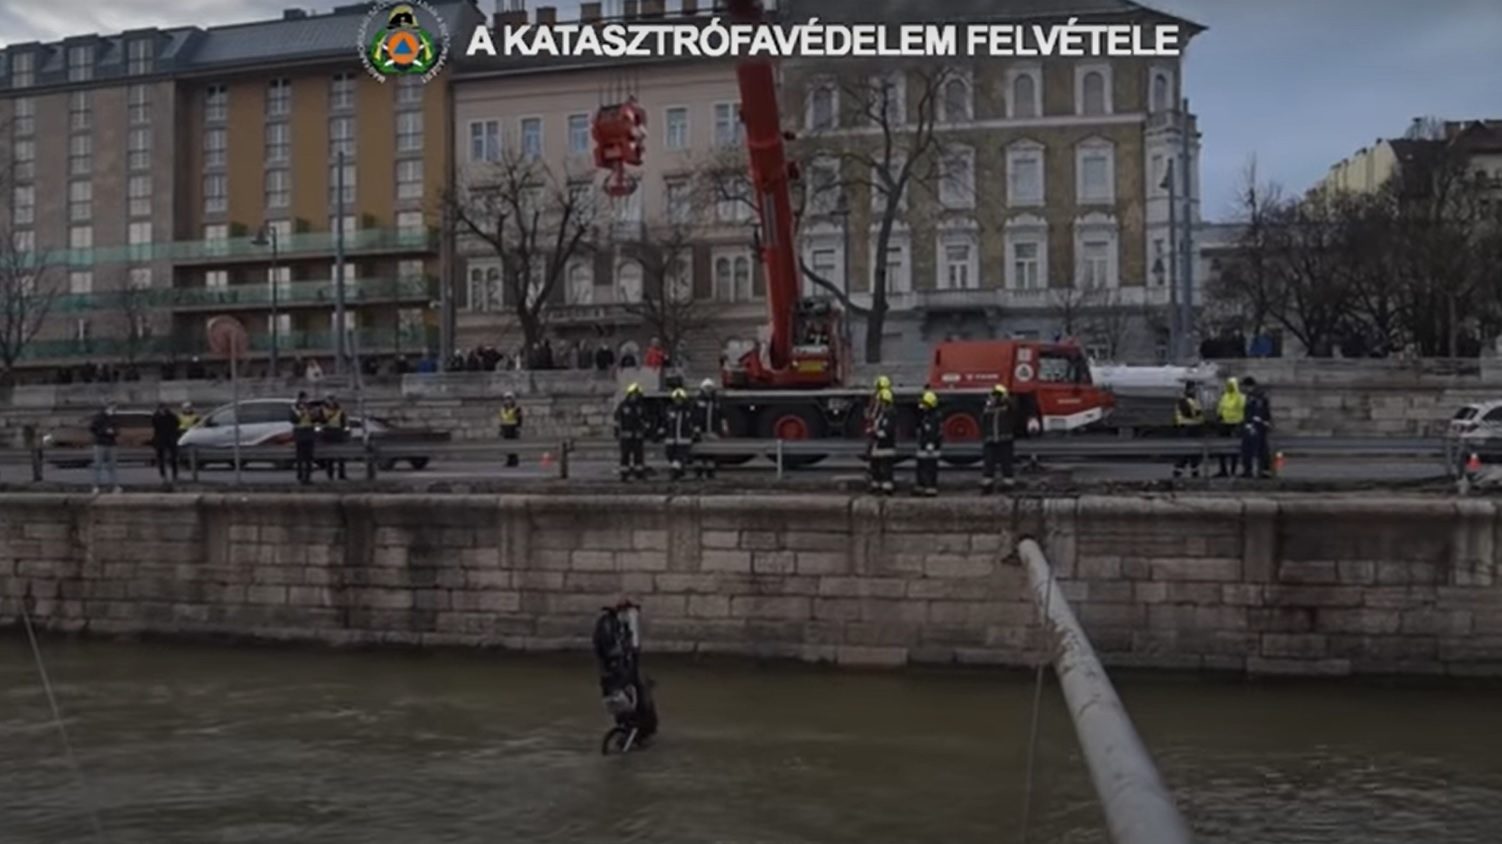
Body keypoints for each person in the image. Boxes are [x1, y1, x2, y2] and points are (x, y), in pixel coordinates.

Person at [593, 598, 658, 748]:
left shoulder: (616, 624)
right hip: (616, 674)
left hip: (618, 674)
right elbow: (610, 650)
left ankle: (633, 732)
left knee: (633, 702)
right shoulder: (609, 624)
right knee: (634, 704)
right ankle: (635, 732)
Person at [981, 384, 1017, 494]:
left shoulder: (1008, 407)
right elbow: (983, 421)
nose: (995, 397)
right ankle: (987, 486)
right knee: (988, 463)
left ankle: (1008, 485)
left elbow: (1015, 411)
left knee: (1006, 464)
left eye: (998, 395)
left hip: (1005, 440)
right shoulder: (988, 408)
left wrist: (1007, 400)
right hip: (990, 440)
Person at [661, 388, 698, 481]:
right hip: (671, 439)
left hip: (684, 439)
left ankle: (675, 472)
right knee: (670, 455)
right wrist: (660, 431)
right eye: (676, 399)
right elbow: (665, 422)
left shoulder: (688, 411)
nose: (678, 401)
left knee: (680, 456)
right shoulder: (670, 410)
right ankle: (679, 470)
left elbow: (694, 422)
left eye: (680, 399)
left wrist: (696, 433)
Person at [614, 383, 649, 482]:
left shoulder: (641, 406)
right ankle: (624, 474)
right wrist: (617, 431)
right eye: (633, 394)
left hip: (637, 435)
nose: (634, 396)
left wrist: (645, 430)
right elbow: (617, 419)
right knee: (625, 456)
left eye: (636, 394)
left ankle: (639, 474)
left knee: (638, 456)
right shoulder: (623, 406)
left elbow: (646, 419)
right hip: (626, 435)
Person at [1241, 377, 1274, 479]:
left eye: (1245, 387)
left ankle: (1260, 471)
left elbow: (1257, 413)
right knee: (1255, 449)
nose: (1244, 389)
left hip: (1257, 427)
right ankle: (1253, 470)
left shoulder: (1257, 397)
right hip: (1256, 426)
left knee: (1258, 449)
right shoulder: (1253, 396)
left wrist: (1252, 424)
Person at [1173, 382, 1206, 479]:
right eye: (1192, 389)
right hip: (1186, 428)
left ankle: (1194, 472)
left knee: (1194, 452)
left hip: (1195, 428)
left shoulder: (1194, 400)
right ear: (1187, 390)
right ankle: (1177, 473)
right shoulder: (1183, 401)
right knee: (1184, 451)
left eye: (1195, 389)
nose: (1194, 391)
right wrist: (1198, 413)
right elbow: (1189, 413)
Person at [693, 379, 725, 480]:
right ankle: (698, 472)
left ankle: (710, 472)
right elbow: (694, 415)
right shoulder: (698, 401)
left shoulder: (716, 401)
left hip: (712, 431)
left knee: (711, 453)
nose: (708, 390)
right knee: (699, 453)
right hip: (701, 431)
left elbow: (721, 415)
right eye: (706, 388)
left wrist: (722, 428)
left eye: (710, 388)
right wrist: (695, 428)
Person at [1215, 377, 1246, 478]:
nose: (1230, 387)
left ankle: (1233, 470)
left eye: (1231, 385)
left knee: (1234, 450)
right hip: (1224, 424)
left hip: (1236, 424)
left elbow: (1244, 409)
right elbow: (1220, 409)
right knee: (1221, 449)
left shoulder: (1241, 397)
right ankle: (1223, 470)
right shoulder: (1225, 397)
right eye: (1228, 385)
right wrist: (1219, 417)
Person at [868, 389, 897, 496]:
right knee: (876, 466)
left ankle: (886, 488)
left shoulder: (889, 413)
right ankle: (877, 485)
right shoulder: (883, 413)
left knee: (886, 468)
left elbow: (887, 431)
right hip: (879, 446)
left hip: (885, 446)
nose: (878, 403)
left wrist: (874, 434)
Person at [914, 391, 943, 497]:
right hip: (923, 446)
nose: (923, 406)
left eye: (925, 404)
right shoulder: (925, 416)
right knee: (920, 467)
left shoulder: (935, 417)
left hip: (931, 448)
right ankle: (920, 486)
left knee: (930, 468)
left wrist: (931, 443)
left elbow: (936, 432)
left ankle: (931, 488)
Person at [90, 404, 121, 494]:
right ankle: (95, 486)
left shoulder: (115, 417)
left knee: (112, 466)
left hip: (112, 443)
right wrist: (104, 431)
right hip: (100, 443)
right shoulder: (99, 417)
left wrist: (115, 432)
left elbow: (118, 429)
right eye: (113, 407)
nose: (115, 409)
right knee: (97, 465)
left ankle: (115, 486)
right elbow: (92, 428)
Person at [291, 392, 319, 485]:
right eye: (303, 399)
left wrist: (314, 414)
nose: (305, 400)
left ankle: (307, 477)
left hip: (309, 433)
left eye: (306, 399)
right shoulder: (295, 408)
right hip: (300, 433)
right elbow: (293, 420)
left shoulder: (310, 407)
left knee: (309, 458)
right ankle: (300, 476)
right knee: (300, 457)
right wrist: (301, 413)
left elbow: (315, 420)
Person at [151, 402, 181, 485]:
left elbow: (177, 423)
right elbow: (155, 425)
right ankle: (163, 476)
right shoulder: (156, 416)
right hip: (160, 439)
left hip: (170, 439)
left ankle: (174, 475)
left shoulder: (171, 416)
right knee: (161, 459)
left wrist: (173, 434)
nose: (163, 410)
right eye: (161, 409)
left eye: (164, 408)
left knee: (173, 458)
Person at [322, 394, 349, 480]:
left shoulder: (340, 411)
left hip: (338, 433)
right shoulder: (323, 410)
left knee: (341, 456)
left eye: (333, 400)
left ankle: (341, 474)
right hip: (328, 433)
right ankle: (330, 475)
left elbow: (343, 423)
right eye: (330, 400)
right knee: (329, 457)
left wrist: (344, 431)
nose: (331, 402)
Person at [498, 392, 523, 468]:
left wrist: (518, 428)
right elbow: (501, 419)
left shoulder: (516, 409)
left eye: (509, 399)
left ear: (512, 400)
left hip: (513, 428)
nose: (507, 401)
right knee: (507, 446)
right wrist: (501, 429)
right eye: (506, 399)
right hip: (505, 428)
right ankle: (509, 460)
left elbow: (519, 419)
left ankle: (514, 461)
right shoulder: (502, 409)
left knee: (513, 445)